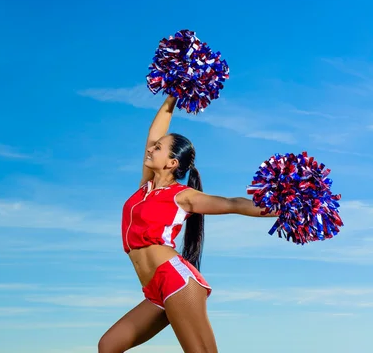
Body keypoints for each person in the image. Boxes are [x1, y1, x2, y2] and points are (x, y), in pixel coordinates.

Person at [98, 95, 277, 353]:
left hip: (175, 280)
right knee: (109, 345)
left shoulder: (182, 196)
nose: (150, 149)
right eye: (153, 147)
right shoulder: (144, 189)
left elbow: (233, 204)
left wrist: (285, 210)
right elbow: (154, 132)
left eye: (158, 148)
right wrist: (173, 93)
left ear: (172, 163)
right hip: (152, 290)